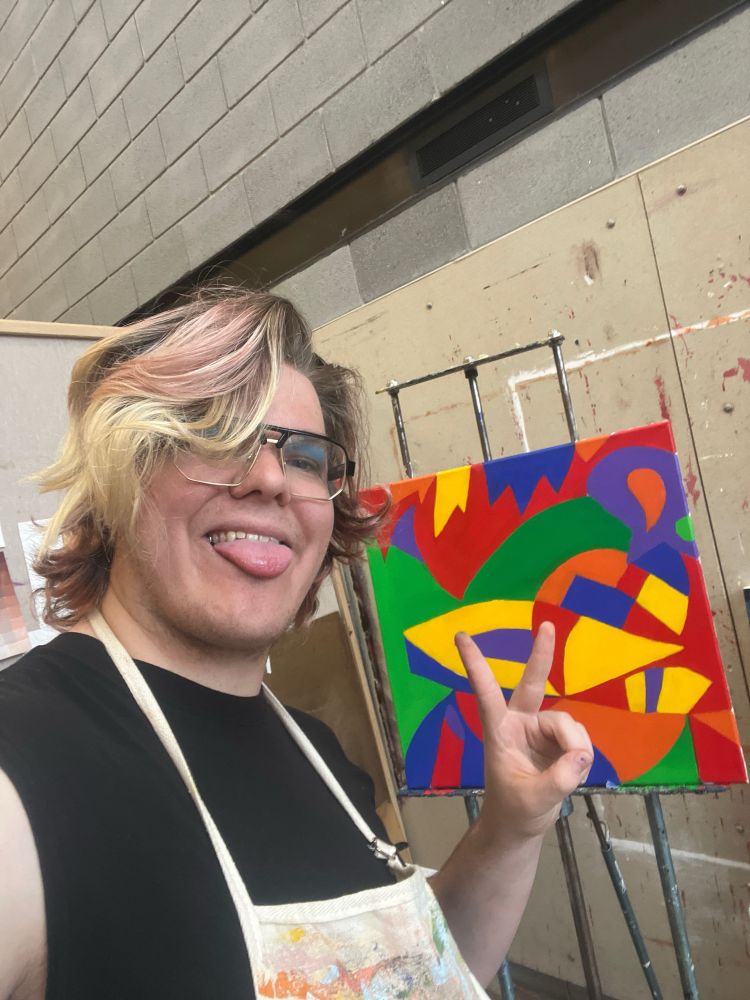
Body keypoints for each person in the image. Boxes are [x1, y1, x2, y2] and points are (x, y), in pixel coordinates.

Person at [0, 287, 593, 999]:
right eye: (216, 435)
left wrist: (510, 825)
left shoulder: (321, 754)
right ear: (120, 473)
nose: (272, 478)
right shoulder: (27, 757)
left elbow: (420, 979)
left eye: (307, 456)